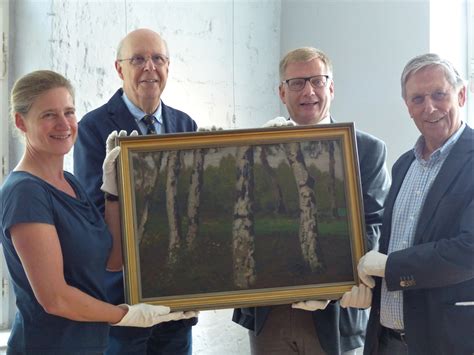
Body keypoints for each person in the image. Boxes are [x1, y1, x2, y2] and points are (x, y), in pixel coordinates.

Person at [0, 70, 197, 354]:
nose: (64, 124)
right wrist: (126, 315)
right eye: (49, 115)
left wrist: (114, 195)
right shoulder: (25, 192)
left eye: (69, 112)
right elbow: (55, 298)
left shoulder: (71, 184)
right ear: (21, 122)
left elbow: (112, 260)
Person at [232, 47, 391, 355]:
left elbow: (374, 225)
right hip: (269, 310)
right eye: (296, 83)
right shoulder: (253, 148)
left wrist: (334, 284)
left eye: (317, 81)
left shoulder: (367, 150)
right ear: (282, 92)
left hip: (335, 312)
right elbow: (240, 222)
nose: (308, 91)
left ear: (331, 87)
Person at [73, 28, 198, 355]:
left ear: (168, 67)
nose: (149, 67)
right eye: (138, 59)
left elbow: (195, 212)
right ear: (119, 68)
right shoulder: (92, 128)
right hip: (121, 301)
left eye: (158, 59)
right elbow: (94, 214)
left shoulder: (186, 126)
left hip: (176, 302)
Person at [357, 54, 474, 355]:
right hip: (385, 341)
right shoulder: (402, 165)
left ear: (461, 95)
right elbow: (389, 244)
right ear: (407, 107)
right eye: (417, 98)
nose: (429, 108)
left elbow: (468, 251)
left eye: (439, 95)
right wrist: (361, 283)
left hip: (446, 342)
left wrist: (390, 266)